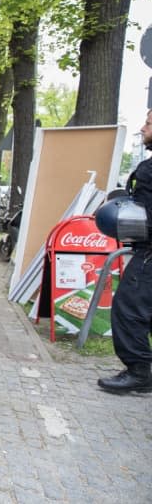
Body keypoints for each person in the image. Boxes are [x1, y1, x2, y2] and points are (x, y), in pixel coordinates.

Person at [97, 110, 152, 394]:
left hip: (149, 256)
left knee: (129, 309)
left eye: (149, 123)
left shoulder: (149, 170)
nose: (143, 128)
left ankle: (139, 372)